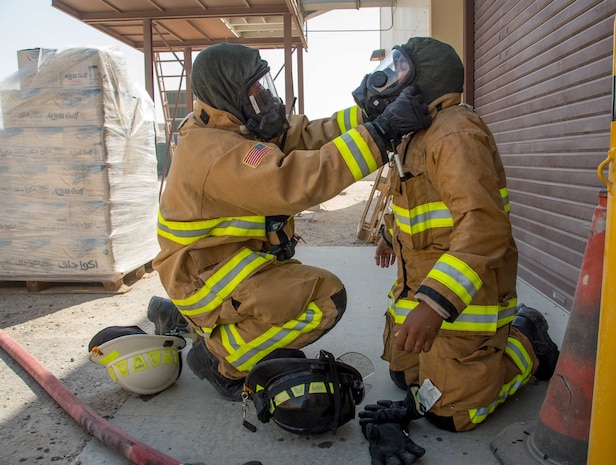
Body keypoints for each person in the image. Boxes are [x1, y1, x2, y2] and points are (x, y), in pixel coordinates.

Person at [148, 42, 432, 402]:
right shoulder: (217, 153)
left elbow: (304, 136)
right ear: (229, 92)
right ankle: (223, 359)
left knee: (289, 292)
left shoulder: (232, 123)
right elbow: (296, 180)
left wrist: (366, 113)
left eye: (264, 84)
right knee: (324, 300)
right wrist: (382, 133)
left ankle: (207, 326)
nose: (265, 96)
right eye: (256, 89)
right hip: (206, 279)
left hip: (217, 265)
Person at [352, 37, 560, 440]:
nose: (387, 78)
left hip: (464, 296)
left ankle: (527, 344)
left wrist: (433, 306)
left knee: (448, 414)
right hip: (419, 284)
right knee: (401, 375)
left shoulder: (454, 135)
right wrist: (387, 234)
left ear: (425, 81)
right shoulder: (418, 131)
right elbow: (412, 199)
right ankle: (461, 358)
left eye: (399, 69)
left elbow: (484, 227)